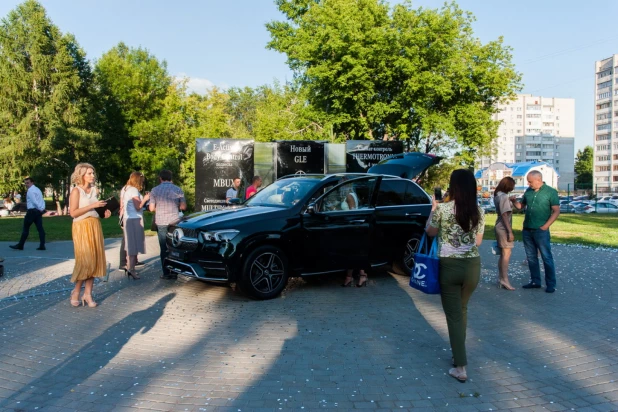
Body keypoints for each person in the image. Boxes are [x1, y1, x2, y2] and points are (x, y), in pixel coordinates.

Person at [425, 169, 485, 383]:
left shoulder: (443, 209)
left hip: (449, 267)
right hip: (472, 267)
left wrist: (433, 209)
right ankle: (457, 352)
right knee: (461, 310)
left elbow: (430, 232)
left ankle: (460, 367)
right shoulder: (479, 210)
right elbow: (477, 242)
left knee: (453, 316)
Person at [68, 163, 112, 308]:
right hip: (81, 227)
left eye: (93, 173)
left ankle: (88, 294)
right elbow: (73, 213)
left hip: (95, 225)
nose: (92, 176)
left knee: (94, 260)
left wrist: (105, 214)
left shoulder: (95, 190)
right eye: (89, 173)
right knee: (85, 262)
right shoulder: (76, 191)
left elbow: (97, 210)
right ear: (81, 175)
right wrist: (92, 206)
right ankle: (76, 292)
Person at [510, 170, 560, 293]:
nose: (528, 184)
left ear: (538, 179)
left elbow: (556, 211)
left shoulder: (550, 192)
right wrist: (514, 201)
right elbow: (521, 207)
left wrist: (545, 226)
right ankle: (535, 281)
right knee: (531, 257)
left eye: (530, 181)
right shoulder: (528, 191)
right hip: (527, 229)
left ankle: (550, 284)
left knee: (546, 257)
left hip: (540, 230)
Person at [149, 169, 187, 279]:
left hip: (161, 222)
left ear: (160, 178)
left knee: (163, 248)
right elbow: (183, 207)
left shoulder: (154, 190)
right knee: (174, 247)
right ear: (171, 178)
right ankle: (175, 271)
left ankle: (166, 273)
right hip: (174, 221)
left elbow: (151, 208)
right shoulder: (178, 189)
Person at [120, 172, 150, 280]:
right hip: (134, 220)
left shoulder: (126, 188)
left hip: (129, 218)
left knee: (131, 245)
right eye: (142, 180)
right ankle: (131, 269)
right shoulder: (133, 190)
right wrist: (146, 199)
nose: (143, 183)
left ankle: (130, 268)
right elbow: (138, 206)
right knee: (133, 246)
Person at [9, 177, 46, 251]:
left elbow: (34, 201)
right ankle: (42, 245)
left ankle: (20, 245)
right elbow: (41, 200)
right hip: (38, 212)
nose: (26, 185)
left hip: (32, 211)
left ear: (32, 182)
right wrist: (42, 208)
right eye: (25, 183)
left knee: (26, 228)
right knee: (40, 228)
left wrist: (40, 208)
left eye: (28, 183)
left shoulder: (30, 191)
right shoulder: (37, 189)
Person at [493, 176, 516, 291]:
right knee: (506, 254)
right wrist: (510, 232)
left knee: (503, 254)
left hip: (499, 226)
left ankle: (501, 278)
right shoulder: (504, 197)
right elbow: (505, 215)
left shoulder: (498, 195)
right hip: (503, 228)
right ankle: (504, 279)